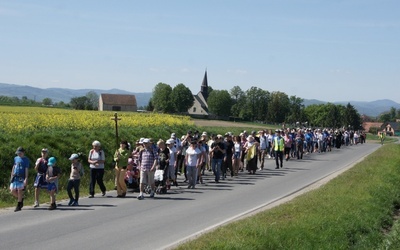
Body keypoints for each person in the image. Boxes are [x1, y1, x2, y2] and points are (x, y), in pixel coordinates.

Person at [10, 147, 30, 212]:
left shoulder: (26, 160)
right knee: (12, 190)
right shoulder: (16, 158)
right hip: (15, 176)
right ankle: (21, 199)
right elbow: (14, 166)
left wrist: (26, 178)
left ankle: (19, 205)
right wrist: (12, 174)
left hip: (21, 177)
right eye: (18, 153)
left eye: (20, 153)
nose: (19, 154)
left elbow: (26, 169)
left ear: (23, 152)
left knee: (19, 190)